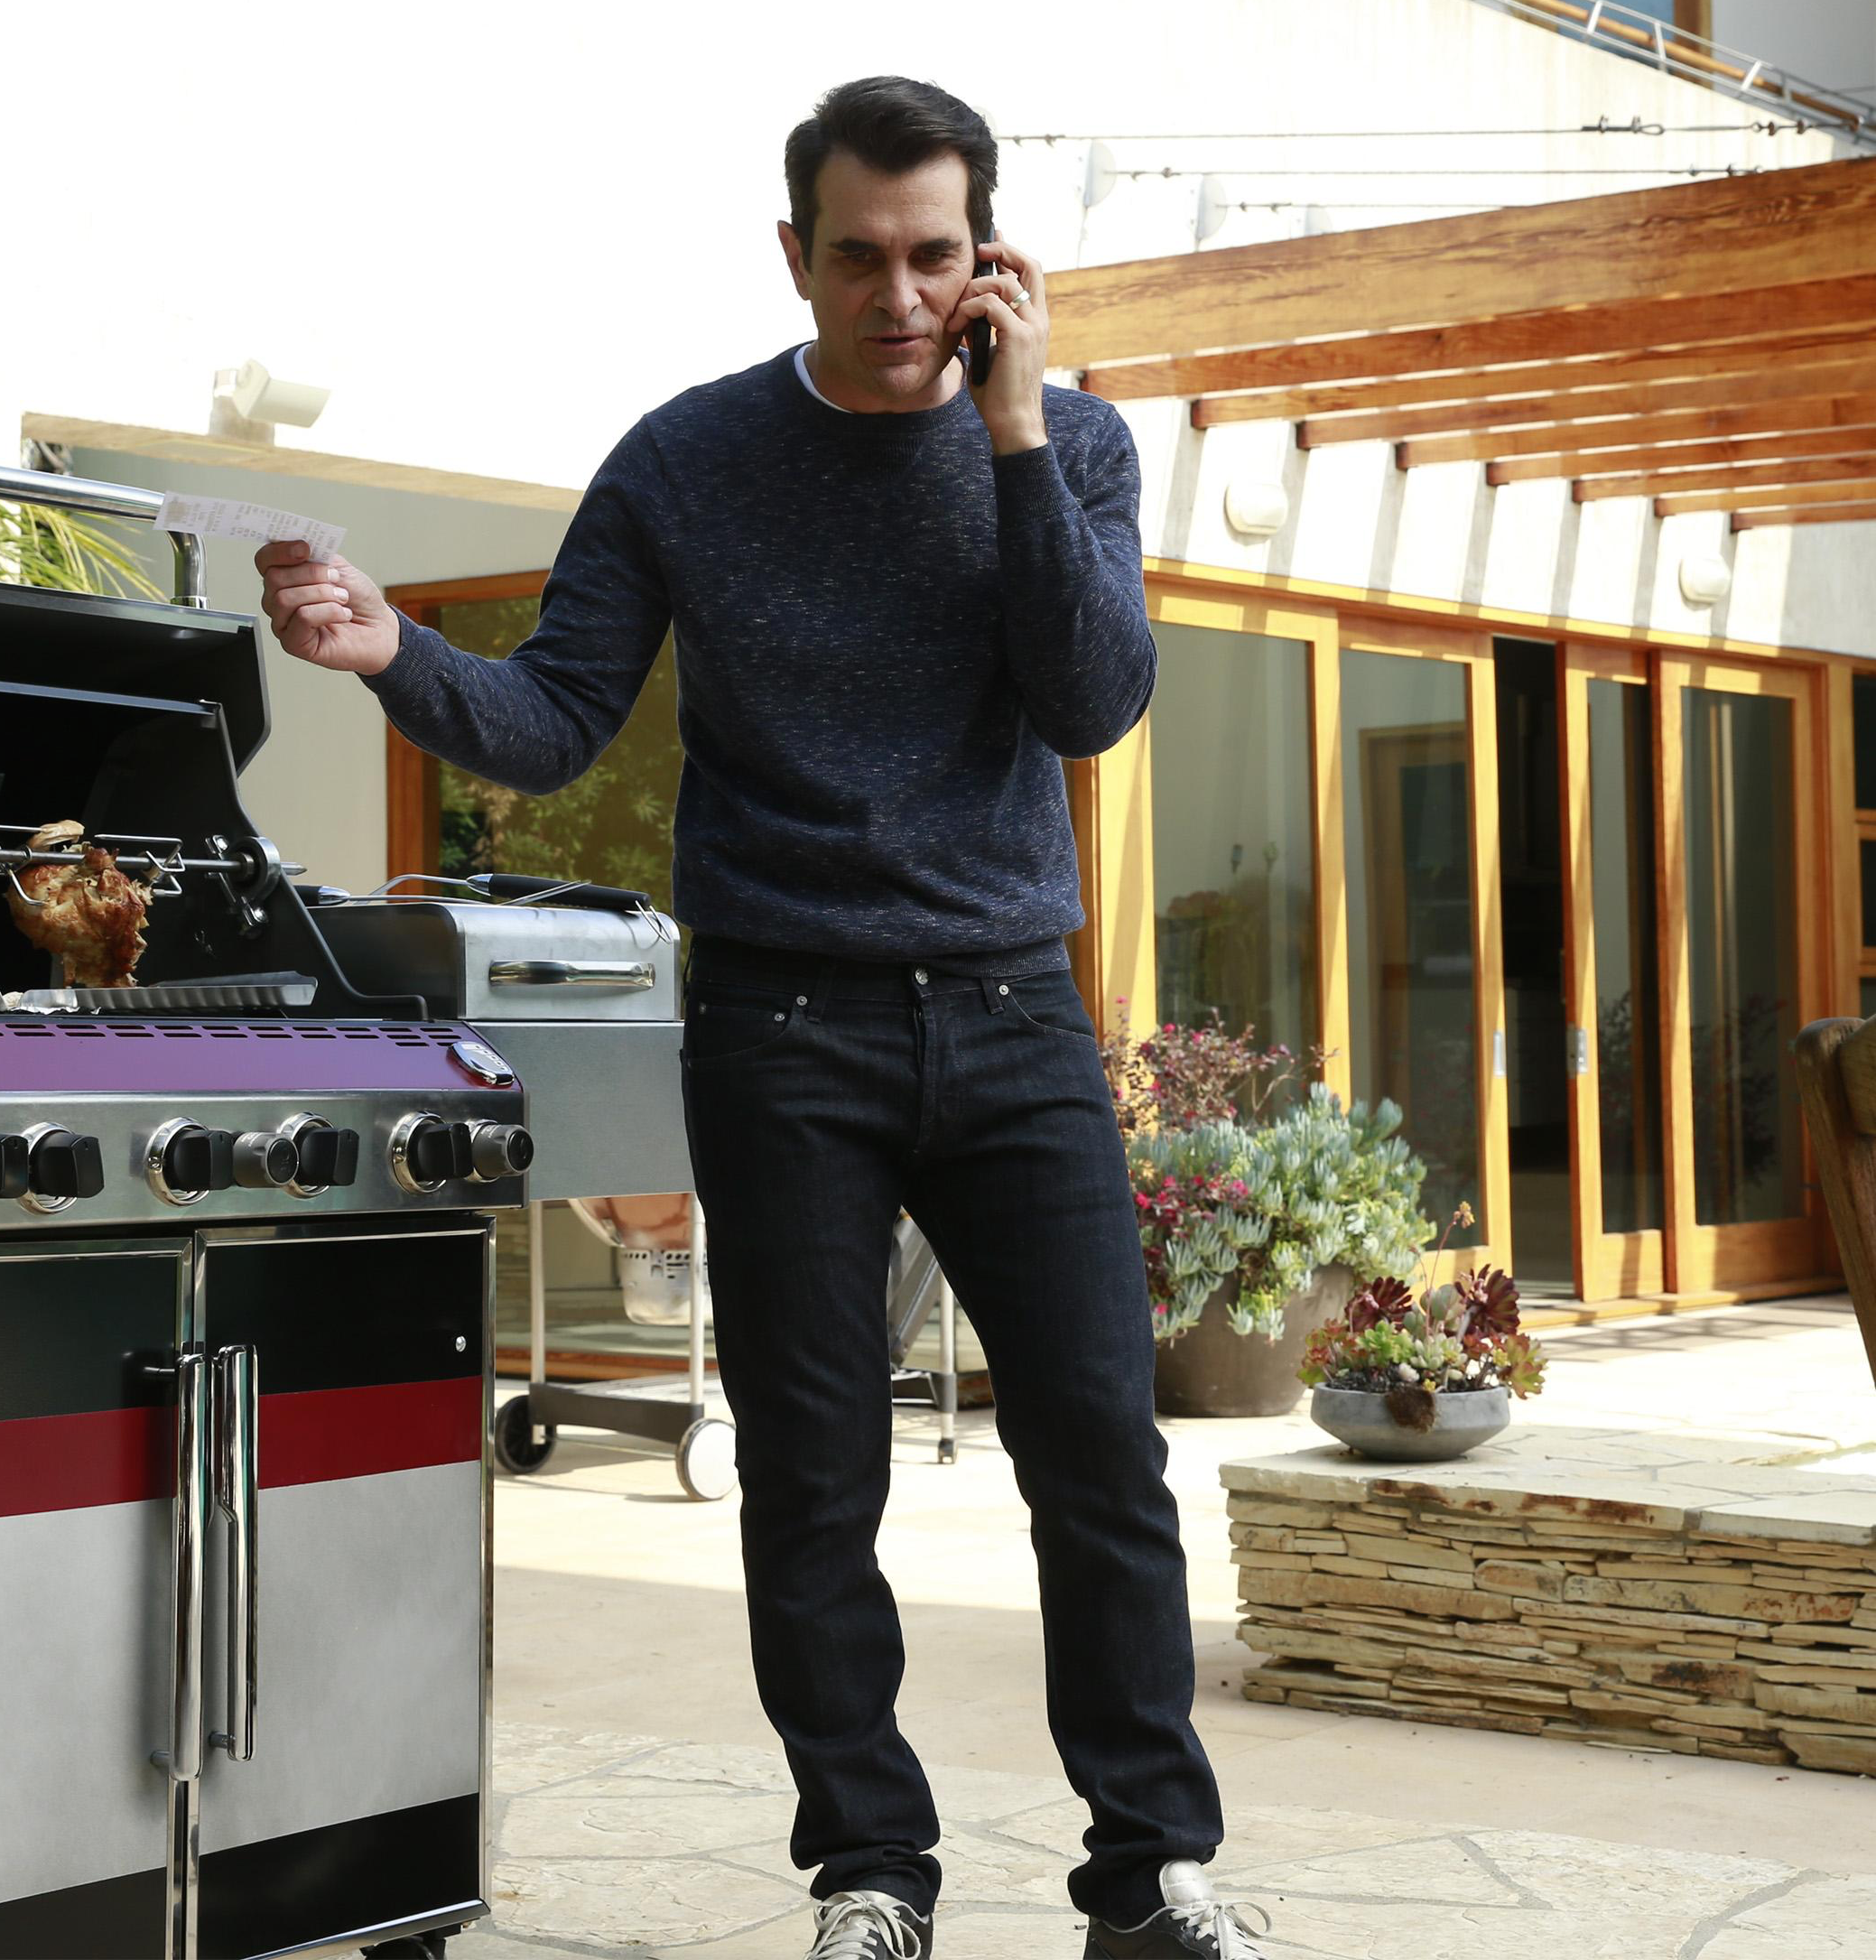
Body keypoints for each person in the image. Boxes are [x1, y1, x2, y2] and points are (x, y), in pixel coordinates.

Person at [254, 74, 1269, 1960]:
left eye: (935, 256)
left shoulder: (1068, 441)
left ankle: (1149, 1872)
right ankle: (871, 1870)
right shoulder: (687, 459)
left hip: (1013, 1014)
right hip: (782, 1020)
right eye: (859, 257)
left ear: (988, 260)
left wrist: (1014, 436)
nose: (900, 295)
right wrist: (393, 653)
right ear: (793, 254)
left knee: (1098, 1454)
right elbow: (557, 718)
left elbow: (1093, 700)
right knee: (811, 1475)